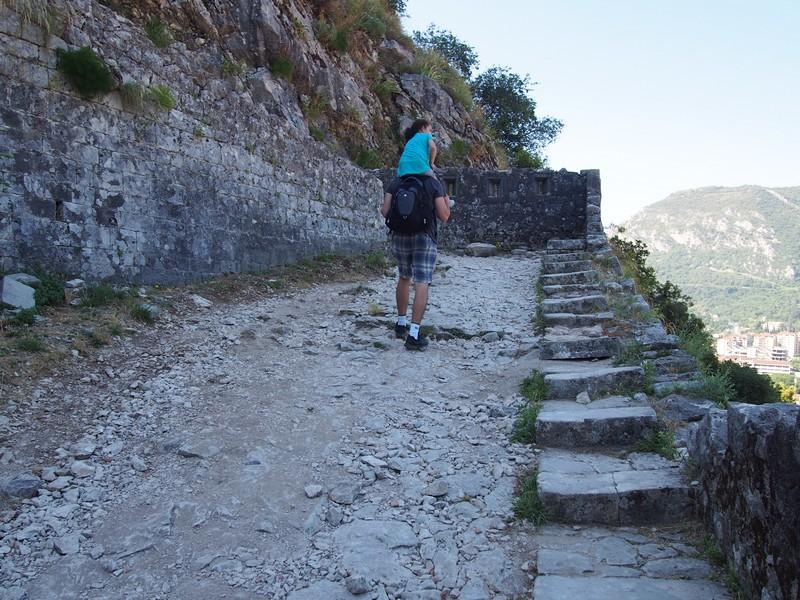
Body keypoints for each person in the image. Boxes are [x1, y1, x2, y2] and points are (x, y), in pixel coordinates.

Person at [380, 175, 451, 351]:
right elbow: (444, 216)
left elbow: (385, 212)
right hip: (424, 237)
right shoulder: (433, 183)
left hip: (399, 237)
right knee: (422, 282)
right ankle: (413, 334)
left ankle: (401, 323)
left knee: (404, 277)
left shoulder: (396, 182)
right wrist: (447, 202)